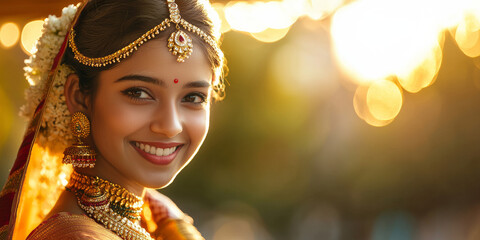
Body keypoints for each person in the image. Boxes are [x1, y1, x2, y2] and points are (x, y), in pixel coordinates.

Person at [0, 0, 225, 239]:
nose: (170, 126)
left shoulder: (158, 219)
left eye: (193, 97)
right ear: (79, 97)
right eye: (138, 93)